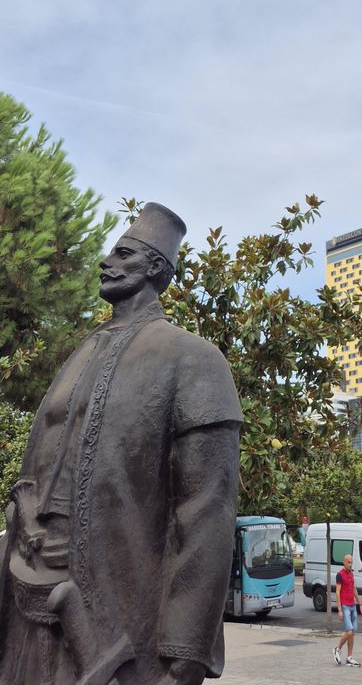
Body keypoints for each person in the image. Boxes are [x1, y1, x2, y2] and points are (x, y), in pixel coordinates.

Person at [0, 202, 242, 685]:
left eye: (122, 254)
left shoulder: (194, 360)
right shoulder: (79, 353)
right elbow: (30, 478)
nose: (105, 262)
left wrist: (186, 652)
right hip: (26, 607)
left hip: (114, 628)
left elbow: (207, 512)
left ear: (155, 268)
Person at [332, 554, 362, 667]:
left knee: (352, 634)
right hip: (345, 606)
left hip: (352, 605)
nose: (350, 564)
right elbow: (337, 592)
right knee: (349, 631)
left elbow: (354, 589)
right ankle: (337, 649)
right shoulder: (340, 575)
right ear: (344, 562)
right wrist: (339, 609)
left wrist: (360, 604)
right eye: (349, 562)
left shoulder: (351, 574)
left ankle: (349, 658)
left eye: (351, 562)